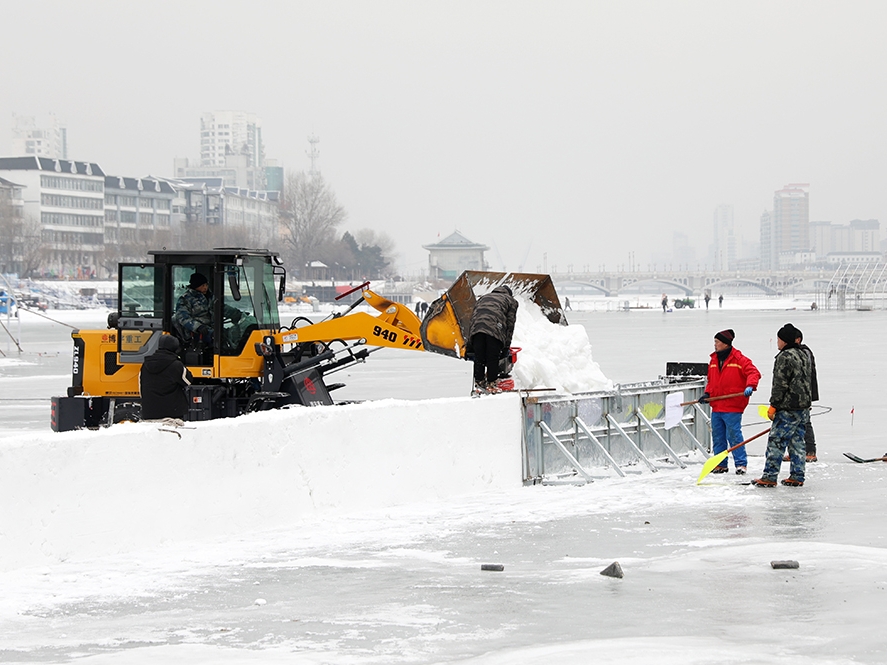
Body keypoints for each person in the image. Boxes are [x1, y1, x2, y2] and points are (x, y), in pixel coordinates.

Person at [752, 323, 812, 488]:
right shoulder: (803, 354)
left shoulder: (784, 357)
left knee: (776, 441)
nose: (777, 342)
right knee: (797, 442)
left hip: (788, 408)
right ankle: (797, 475)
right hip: (803, 407)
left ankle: (770, 476)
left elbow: (780, 385)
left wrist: (774, 406)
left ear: (784, 340)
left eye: (779, 339)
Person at [699, 329, 761, 475]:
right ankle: (720, 464)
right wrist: (707, 393)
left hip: (733, 405)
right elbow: (711, 380)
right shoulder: (713, 360)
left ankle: (740, 464)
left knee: (734, 435)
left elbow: (753, 372)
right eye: (714, 342)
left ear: (725, 344)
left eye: (717, 342)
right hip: (717, 405)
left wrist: (750, 386)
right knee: (718, 436)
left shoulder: (739, 359)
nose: (715, 345)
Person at [468, 285, 518, 394]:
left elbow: (473, 317)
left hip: (476, 329)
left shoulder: (483, 297)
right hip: (495, 327)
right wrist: (506, 347)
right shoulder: (511, 301)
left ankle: (479, 382)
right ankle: (492, 383)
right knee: (493, 356)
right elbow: (510, 325)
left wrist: (469, 344)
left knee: (479, 356)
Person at [173, 272, 241, 348]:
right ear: (196, 286)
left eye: (206, 285)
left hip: (211, 327)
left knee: (230, 335)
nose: (205, 288)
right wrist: (198, 327)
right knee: (218, 338)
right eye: (202, 285)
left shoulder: (210, 297)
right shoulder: (185, 299)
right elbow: (182, 317)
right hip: (196, 331)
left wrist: (237, 314)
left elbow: (221, 308)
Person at [139, 334, 193, 420]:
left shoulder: (145, 364)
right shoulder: (175, 365)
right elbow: (188, 380)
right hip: (172, 413)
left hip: (149, 412)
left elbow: (141, 386)